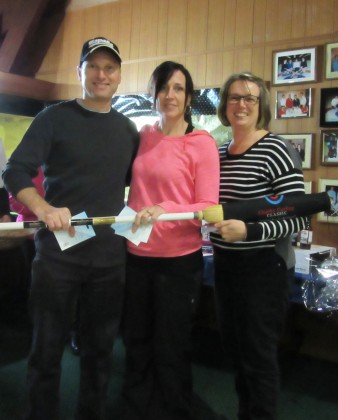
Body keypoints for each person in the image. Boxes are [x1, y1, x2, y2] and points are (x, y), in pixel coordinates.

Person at [2, 36, 139, 420]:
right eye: (92, 66)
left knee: (99, 354)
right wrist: (43, 208)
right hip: (57, 259)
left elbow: (139, 186)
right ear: (80, 72)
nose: (101, 74)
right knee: (46, 352)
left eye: (109, 67)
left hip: (109, 261)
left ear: (119, 75)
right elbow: (13, 171)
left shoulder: (128, 130)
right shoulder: (53, 118)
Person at [120, 61, 220, 420]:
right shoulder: (143, 134)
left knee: (172, 345)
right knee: (136, 340)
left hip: (179, 261)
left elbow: (209, 206)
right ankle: (135, 408)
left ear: (189, 97)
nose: (170, 95)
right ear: (154, 94)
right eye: (164, 87)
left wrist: (169, 209)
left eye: (178, 88)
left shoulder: (201, 143)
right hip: (136, 255)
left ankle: (173, 410)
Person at [210, 72, 308, 420]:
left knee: (258, 360)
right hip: (226, 268)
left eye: (249, 98)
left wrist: (249, 232)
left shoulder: (277, 150)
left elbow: (298, 217)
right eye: (234, 97)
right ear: (224, 105)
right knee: (236, 354)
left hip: (265, 271)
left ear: (260, 105)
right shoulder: (218, 154)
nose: (241, 104)